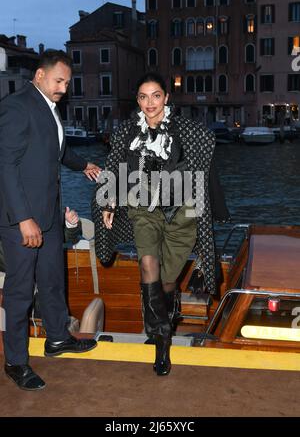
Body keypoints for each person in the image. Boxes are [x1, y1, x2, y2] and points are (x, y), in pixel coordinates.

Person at [92, 72, 229, 376]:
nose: (149, 102)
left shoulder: (191, 132)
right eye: (143, 96)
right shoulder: (127, 132)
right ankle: (162, 342)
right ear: (137, 100)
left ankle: (160, 327)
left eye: (156, 95)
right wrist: (110, 202)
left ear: (166, 98)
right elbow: (114, 166)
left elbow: (204, 168)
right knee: (147, 266)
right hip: (145, 208)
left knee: (167, 280)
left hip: (184, 213)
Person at [0, 49, 100, 391]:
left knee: (54, 279)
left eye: (67, 83)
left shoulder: (48, 108)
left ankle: (58, 339)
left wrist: (82, 164)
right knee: (20, 291)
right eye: (58, 81)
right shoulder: (17, 106)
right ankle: (15, 361)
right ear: (40, 76)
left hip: (49, 214)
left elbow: (56, 150)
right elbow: (5, 165)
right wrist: (23, 218)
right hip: (22, 218)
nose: (63, 88)